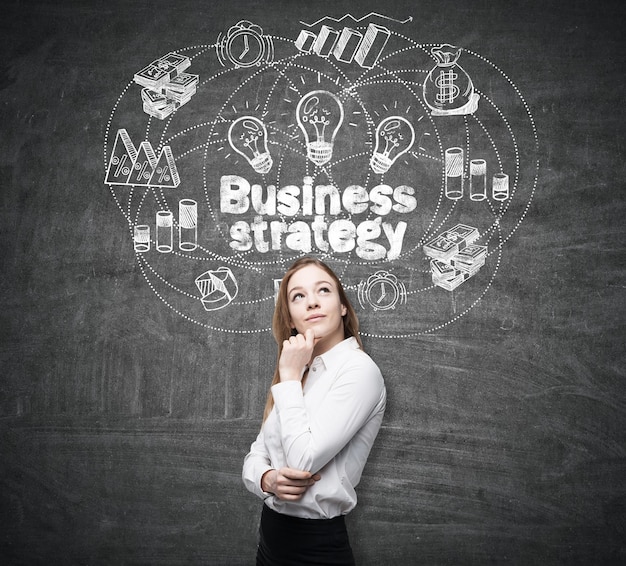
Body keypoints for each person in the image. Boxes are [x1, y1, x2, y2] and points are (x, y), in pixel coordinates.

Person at [242, 257, 386, 565]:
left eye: (323, 290)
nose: (312, 303)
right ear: (291, 319)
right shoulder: (300, 372)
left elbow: (302, 461)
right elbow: (255, 455)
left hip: (315, 547)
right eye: (298, 296)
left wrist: (289, 377)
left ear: (343, 306)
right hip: (271, 537)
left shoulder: (358, 370)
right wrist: (267, 479)